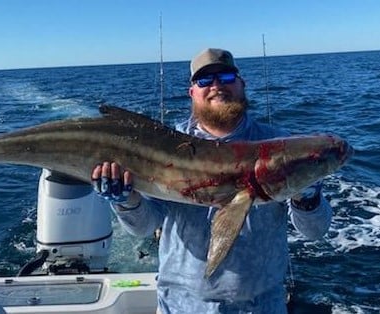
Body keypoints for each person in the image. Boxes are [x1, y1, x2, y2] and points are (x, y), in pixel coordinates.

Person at [91, 48, 332, 313]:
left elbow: (314, 232)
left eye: (226, 76)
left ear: (242, 84)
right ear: (192, 92)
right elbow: (145, 226)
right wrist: (126, 200)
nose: (216, 85)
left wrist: (307, 198)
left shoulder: (280, 145)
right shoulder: (169, 142)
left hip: (262, 303)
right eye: (204, 81)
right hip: (181, 304)